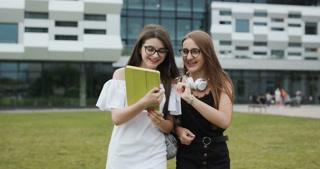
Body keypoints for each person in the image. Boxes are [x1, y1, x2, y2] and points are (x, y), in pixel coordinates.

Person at [96, 24, 180, 169]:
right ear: (140, 48)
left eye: (161, 51)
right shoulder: (121, 75)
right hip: (122, 153)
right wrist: (144, 103)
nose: (155, 55)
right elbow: (117, 119)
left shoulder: (170, 83)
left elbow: (168, 127)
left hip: (154, 154)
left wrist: (159, 121)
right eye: (150, 49)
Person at [174, 30, 234, 169]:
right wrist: (178, 130)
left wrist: (191, 99)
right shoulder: (177, 84)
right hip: (187, 158)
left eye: (195, 51)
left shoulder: (222, 82)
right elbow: (172, 121)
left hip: (217, 159)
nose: (189, 57)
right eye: (185, 51)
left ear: (207, 53)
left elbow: (224, 121)